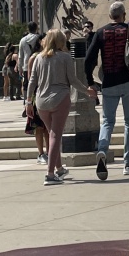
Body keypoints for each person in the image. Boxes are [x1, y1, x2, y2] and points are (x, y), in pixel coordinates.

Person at [84, 1, 129, 180]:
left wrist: (90, 82)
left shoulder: (100, 32)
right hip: (128, 80)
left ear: (110, 16)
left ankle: (102, 150)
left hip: (109, 82)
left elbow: (88, 59)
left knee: (107, 121)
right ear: (123, 15)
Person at [27, 29, 85, 184]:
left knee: (51, 135)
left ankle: (59, 169)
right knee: (55, 136)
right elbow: (73, 80)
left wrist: (28, 102)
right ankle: (50, 174)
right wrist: (88, 91)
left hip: (41, 102)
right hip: (60, 98)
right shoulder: (65, 57)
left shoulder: (39, 57)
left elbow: (32, 81)